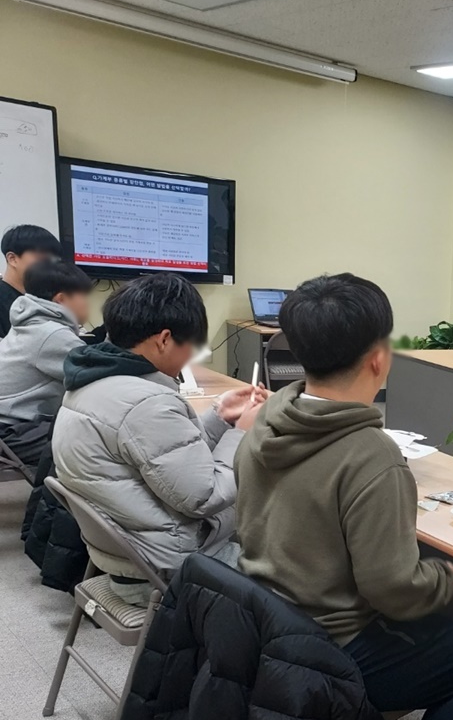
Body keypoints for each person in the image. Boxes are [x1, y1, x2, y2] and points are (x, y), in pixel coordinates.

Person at [234, 273, 453, 720]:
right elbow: (392, 589)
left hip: (267, 627)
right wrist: (446, 579)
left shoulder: (269, 418)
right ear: (379, 357)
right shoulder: (371, 455)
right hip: (331, 648)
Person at [52, 273, 264, 604]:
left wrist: (220, 416)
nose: (190, 357)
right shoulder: (146, 403)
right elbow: (204, 496)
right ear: (165, 339)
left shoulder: (92, 381)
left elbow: (168, 457)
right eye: (191, 346)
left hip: (130, 554)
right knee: (296, 563)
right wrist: (241, 433)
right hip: (173, 568)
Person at [0, 261, 94, 465]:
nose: (88, 304)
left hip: (13, 428)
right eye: (84, 296)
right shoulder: (52, 334)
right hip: (13, 432)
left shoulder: (29, 324)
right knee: (98, 438)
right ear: (61, 299)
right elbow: (98, 376)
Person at [1, 224, 63, 338]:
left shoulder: (45, 301)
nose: (49, 266)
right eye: (43, 259)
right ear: (12, 259)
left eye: (53, 261)